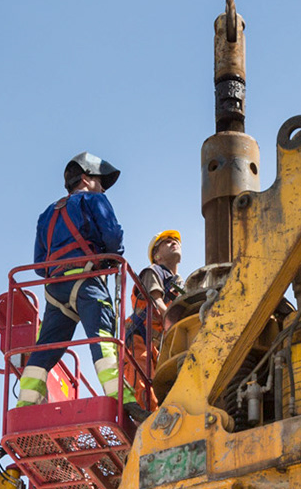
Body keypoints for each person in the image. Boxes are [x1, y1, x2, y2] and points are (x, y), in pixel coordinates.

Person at [15, 151, 125, 406]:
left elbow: (40, 266)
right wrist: (111, 257)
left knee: (44, 350)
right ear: (86, 179)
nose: (103, 189)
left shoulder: (46, 215)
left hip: (55, 292)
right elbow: (113, 236)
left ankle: (25, 405)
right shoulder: (94, 200)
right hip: (88, 282)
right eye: (101, 182)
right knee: (102, 340)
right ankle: (122, 399)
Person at [126, 228, 184, 363]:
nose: (174, 243)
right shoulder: (152, 272)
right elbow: (157, 302)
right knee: (143, 383)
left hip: (155, 345)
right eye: (168, 242)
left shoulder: (178, 284)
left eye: (176, 242)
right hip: (137, 339)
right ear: (157, 256)